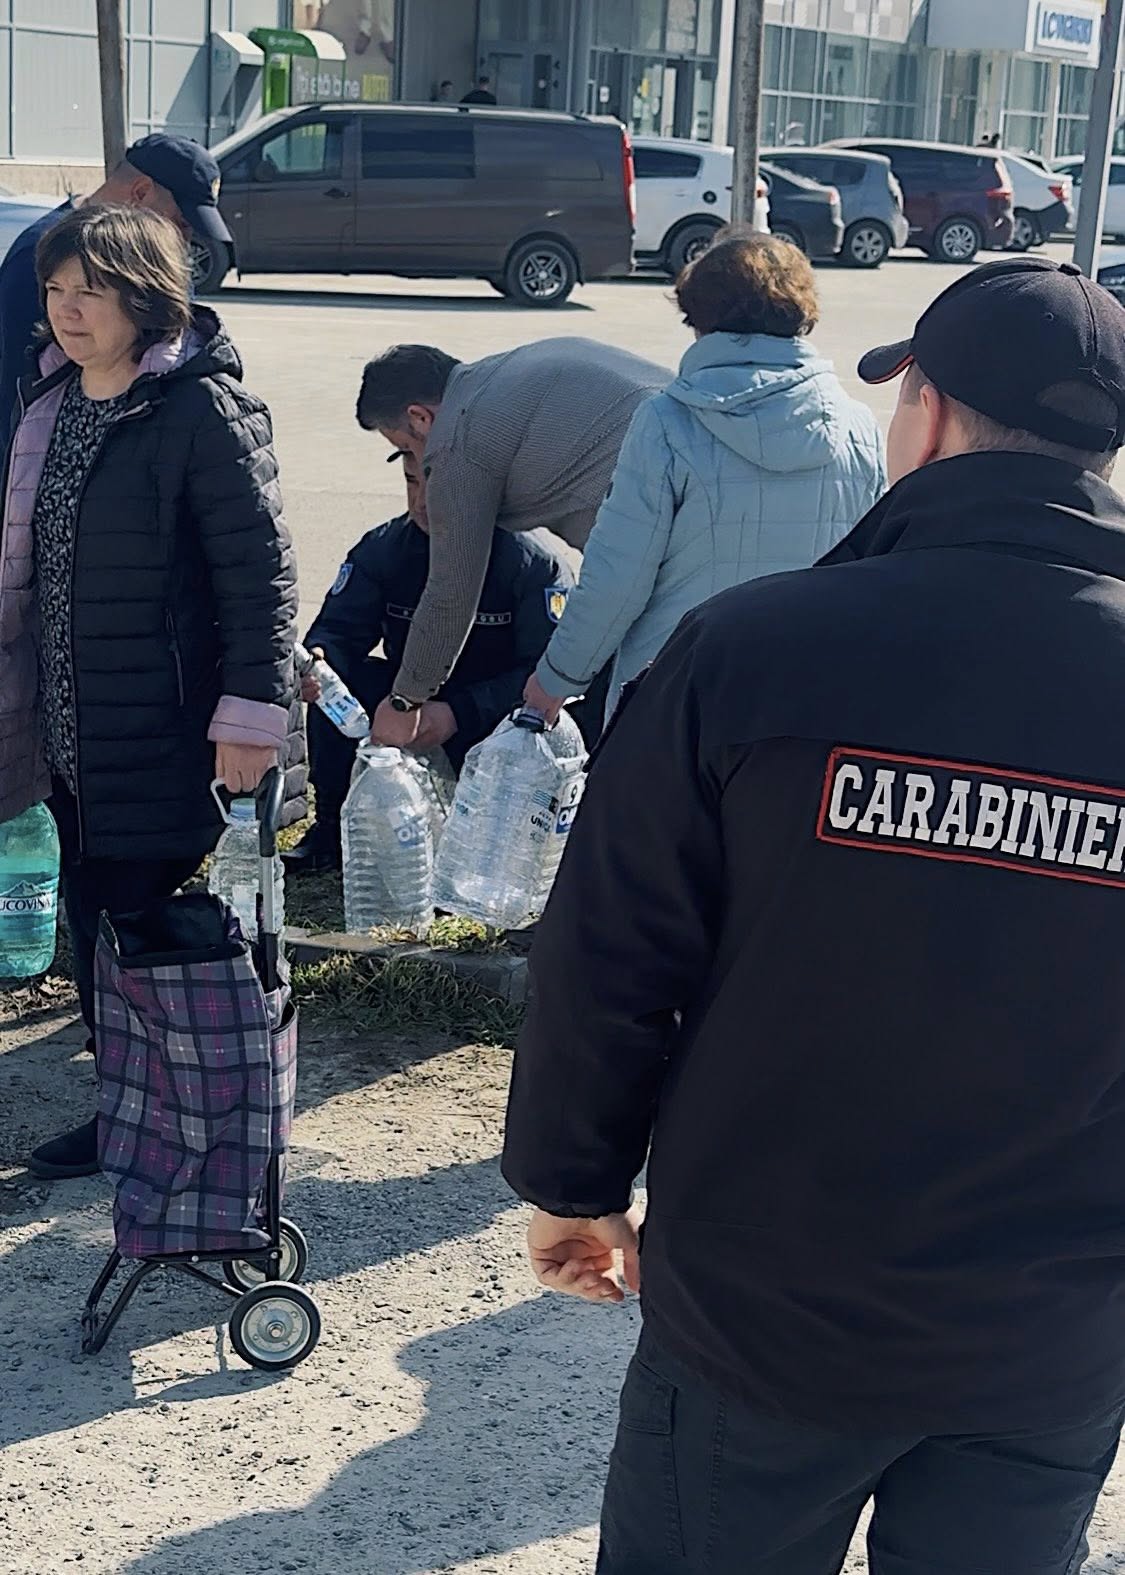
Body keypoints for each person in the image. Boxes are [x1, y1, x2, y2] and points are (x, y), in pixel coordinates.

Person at [503, 256, 1125, 1573]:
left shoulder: (751, 647)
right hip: (1052, 1330)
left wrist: (573, 1182)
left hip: (766, 1307)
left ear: (929, 414)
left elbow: (610, 951)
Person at [2, 205, 297, 1181]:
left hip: (167, 727)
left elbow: (259, 578)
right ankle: (135, 1103)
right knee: (95, 915)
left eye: (90, 291)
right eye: (56, 289)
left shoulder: (201, 410)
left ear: (145, 297)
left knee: (135, 921)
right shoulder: (51, 399)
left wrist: (250, 720)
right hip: (69, 723)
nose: (67, 309)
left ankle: (159, 1111)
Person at [524, 233, 885, 725]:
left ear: (699, 319)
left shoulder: (668, 423)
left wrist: (558, 678)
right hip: (807, 700)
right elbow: (870, 578)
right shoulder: (859, 427)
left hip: (676, 694)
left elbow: (617, 577)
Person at [353, 338, 668, 749]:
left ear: (420, 418)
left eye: (408, 448)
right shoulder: (502, 376)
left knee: (632, 713)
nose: (423, 469)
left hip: (668, 544)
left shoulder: (458, 439)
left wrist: (404, 701)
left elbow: (451, 593)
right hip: (709, 479)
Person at [285, 450, 574, 873]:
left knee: (553, 715)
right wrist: (319, 664)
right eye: (411, 481)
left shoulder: (534, 564)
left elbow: (550, 673)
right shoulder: (383, 549)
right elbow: (337, 635)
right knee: (338, 686)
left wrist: (458, 712)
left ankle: (504, 836)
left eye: (436, 487)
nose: (421, 502)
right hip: (405, 706)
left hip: (492, 713)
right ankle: (332, 824)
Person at [0, 134, 234, 436]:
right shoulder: (40, 254)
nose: (185, 239)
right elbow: (21, 381)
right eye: (181, 222)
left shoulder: (155, 257)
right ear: (140, 192)